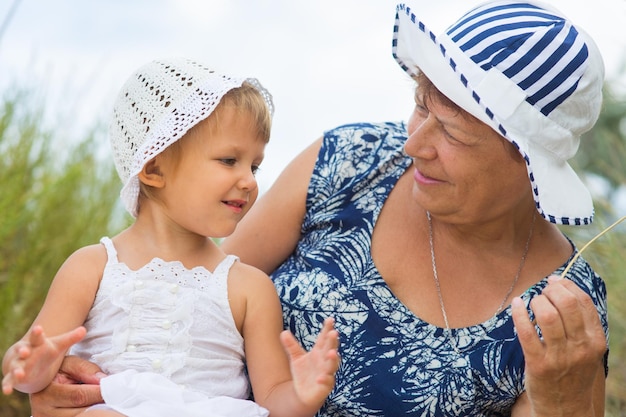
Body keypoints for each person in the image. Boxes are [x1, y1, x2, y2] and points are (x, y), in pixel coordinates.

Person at [29, 1, 610, 416]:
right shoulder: (350, 162)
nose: (413, 143)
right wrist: (83, 382)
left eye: (452, 133)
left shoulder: (563, 314)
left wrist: (568, 404)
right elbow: (197, 288)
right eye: (419, 105)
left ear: (528, 165)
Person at [2, 57, 340, 417]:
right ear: (154, 168)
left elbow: (272, 396)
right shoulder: (92, 267)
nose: (250, 180)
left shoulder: (248, 288)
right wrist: (30, 367)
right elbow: (29, 367)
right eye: (229, 160)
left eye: (254, 165)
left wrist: (302, 395)